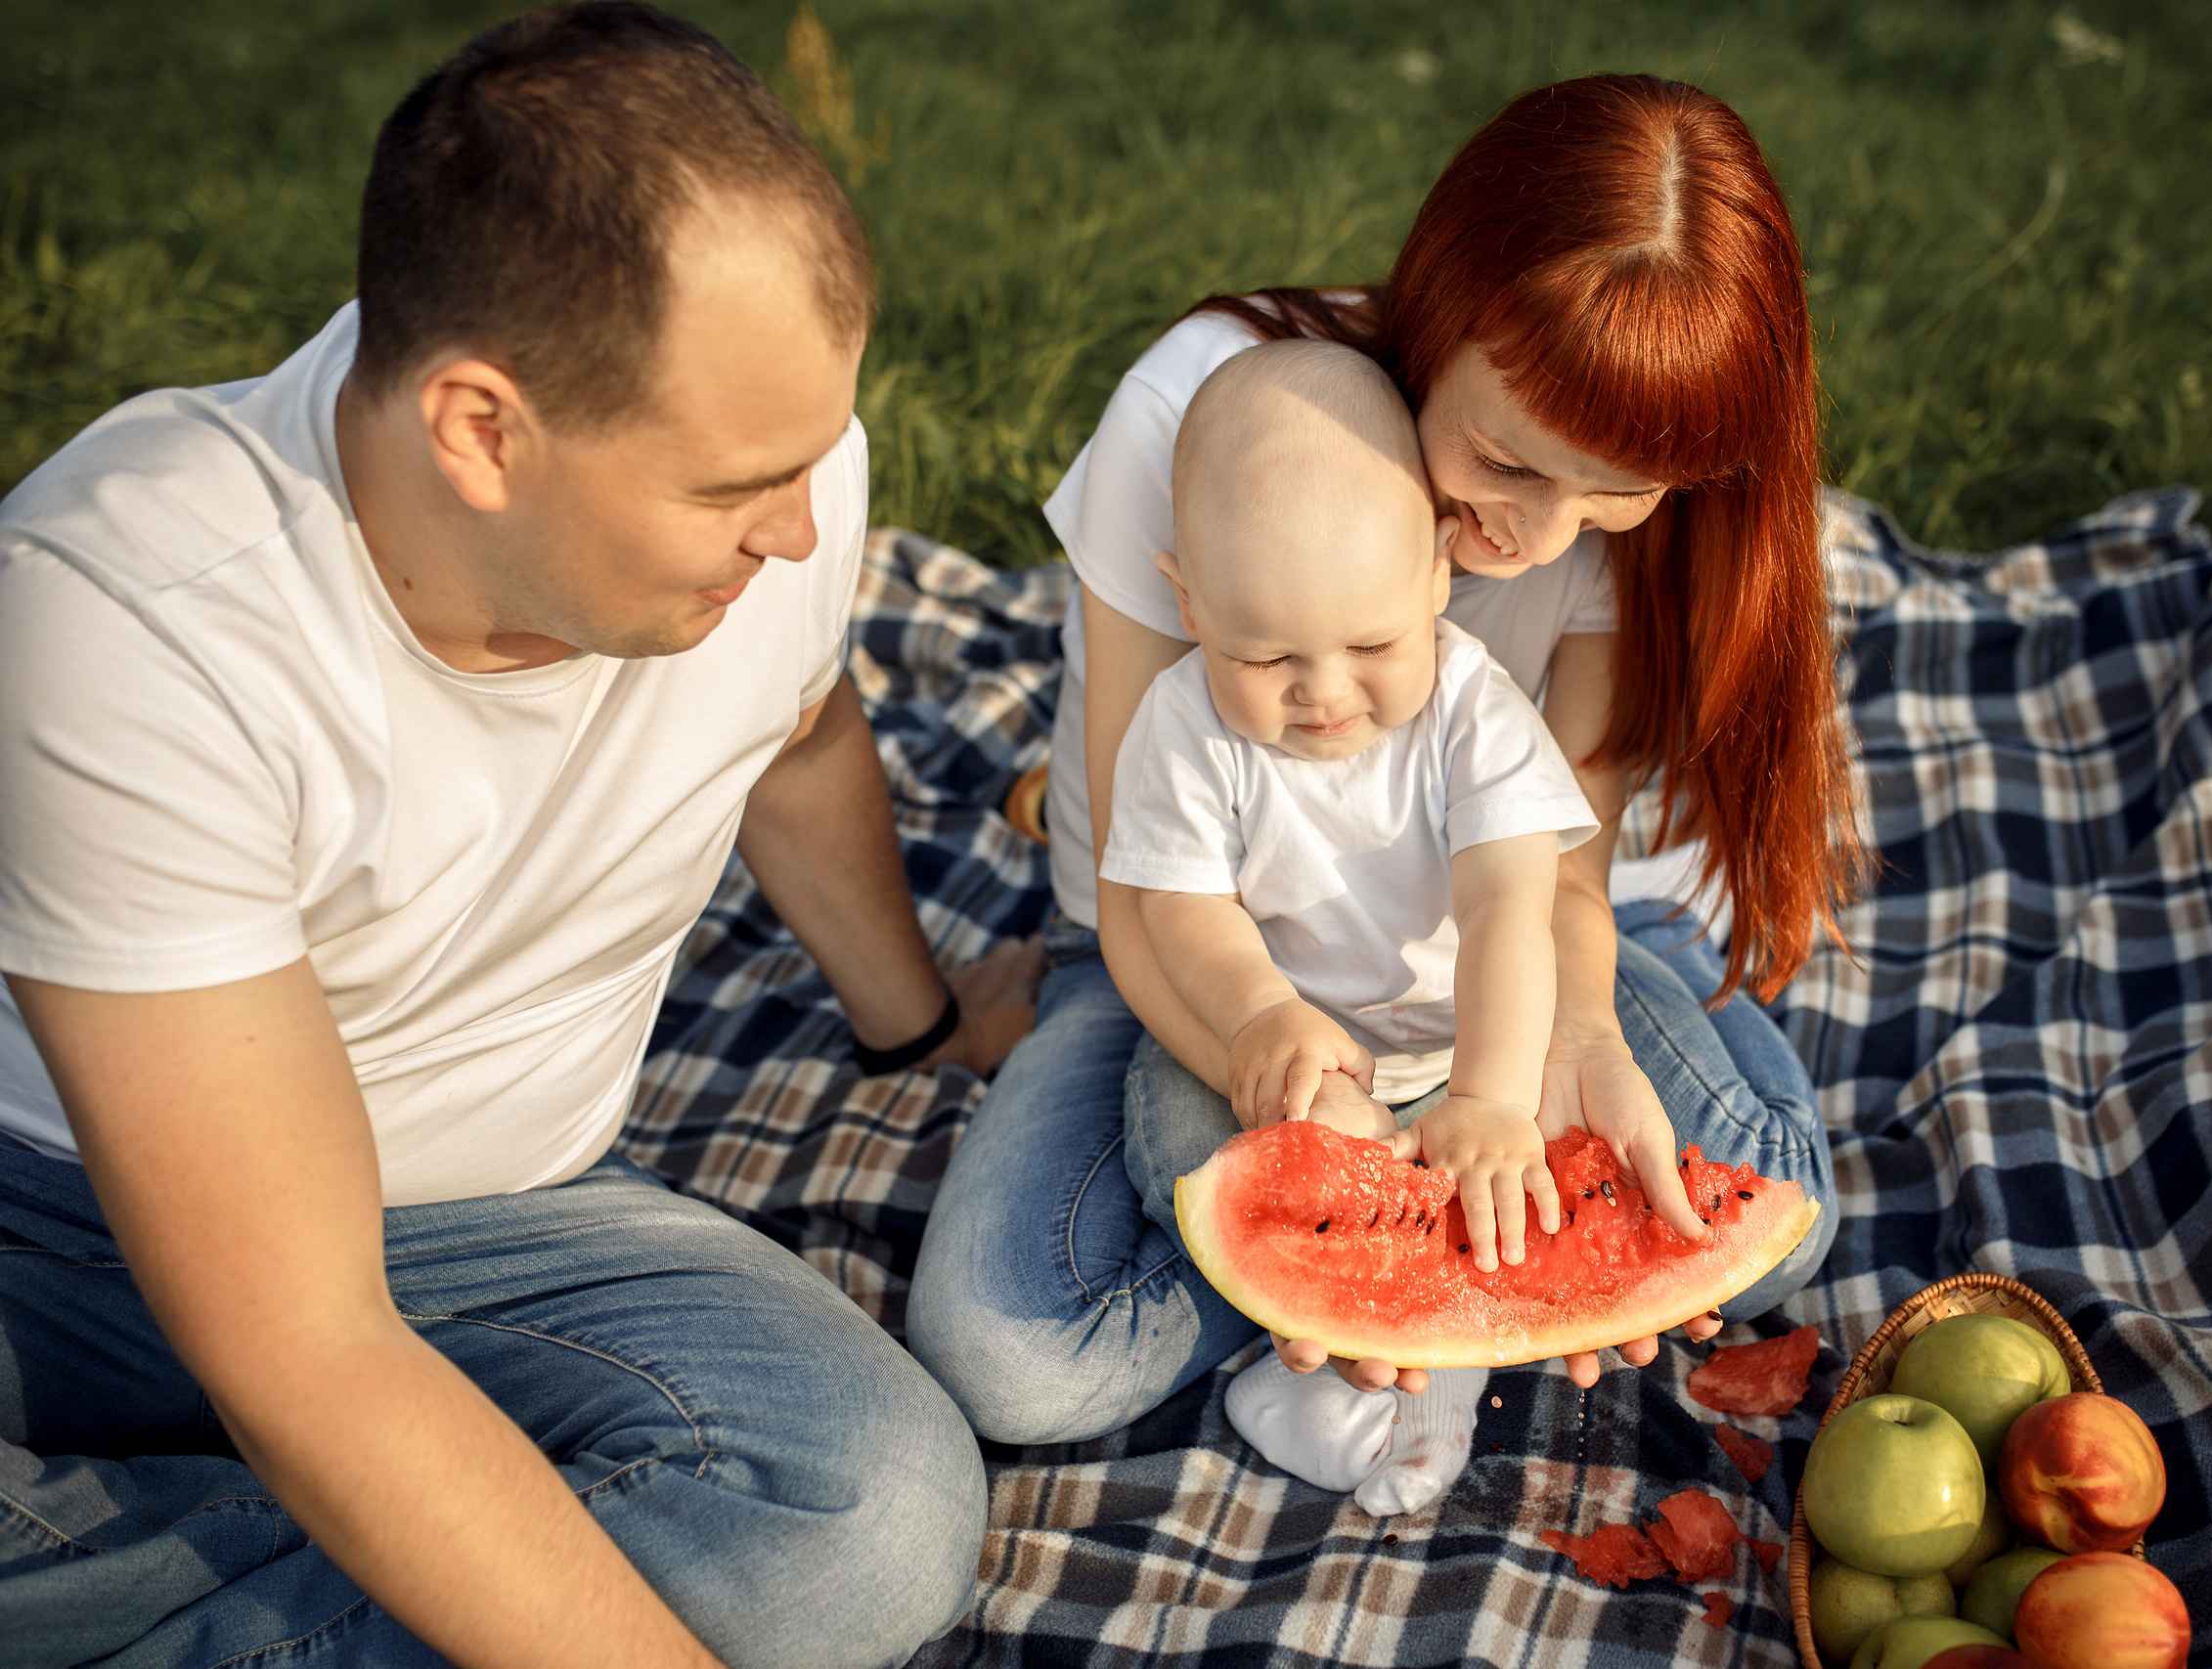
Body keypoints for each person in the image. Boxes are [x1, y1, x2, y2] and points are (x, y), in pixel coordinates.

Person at [0, 8, 1037, 1667]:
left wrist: (912, 1018)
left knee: (866, 1520)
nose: (805, 524)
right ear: (481, 428)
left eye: (813, 453)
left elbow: (797, 726)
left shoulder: (796, 487)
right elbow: (302, 1338)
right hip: (50, 1215)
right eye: (729, 488)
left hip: (497, 1222)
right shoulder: (126, 615)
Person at [909, 74, 1859, 1451]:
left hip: (1508, 942)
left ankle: (1406, 1270)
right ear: (1439, 305)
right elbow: (1146, 898)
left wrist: (1570, 1043)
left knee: (1773, 1231)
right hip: (1200, 966)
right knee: (1014, 1363)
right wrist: (1305, 1119)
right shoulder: (1208, 416)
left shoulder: (1590, 524)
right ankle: (1393, 1276)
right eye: (1501, 463)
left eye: (1612, 494)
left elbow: (1553, 878)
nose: (1543, 538)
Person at [1104, 340, 1603, 1512]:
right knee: (1215, 1156)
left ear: (1438, 576)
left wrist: (1487, 1095)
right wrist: (1260, 1019)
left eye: (1373, 646)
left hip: (1468, 1042)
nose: (1324, 693)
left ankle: (1372, 1380)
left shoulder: (1476, 713)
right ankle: (1333, 1376)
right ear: (1188, 602)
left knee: (1510, 1191)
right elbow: (1182, 909)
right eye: (1265, 654)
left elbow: (1505, 915)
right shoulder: (1182, 724)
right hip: (1254, 1046)